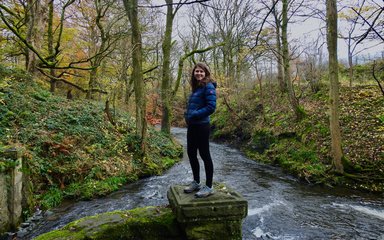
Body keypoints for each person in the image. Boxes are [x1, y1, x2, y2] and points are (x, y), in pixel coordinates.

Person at [183, 62, 217, 198]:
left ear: (206, 73)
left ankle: (208, 187)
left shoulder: (208, 86)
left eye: (201, 72)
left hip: (202, 125)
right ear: (193, 73)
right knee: (191, 153)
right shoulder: (196, 88)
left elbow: (211, 107)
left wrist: (194, 115)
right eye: (197, 71)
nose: (199, 73)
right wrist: (187, 116)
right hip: (192, 125)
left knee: (204, 155)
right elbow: (193, 106)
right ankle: (196, 182)